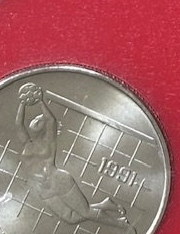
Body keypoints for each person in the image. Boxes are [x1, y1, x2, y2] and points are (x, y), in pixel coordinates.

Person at [14, 83, 132, 230]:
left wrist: (40, 101)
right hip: (43, 188)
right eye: (35, 120)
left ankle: (122, 224)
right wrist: (22, 103)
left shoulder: (49, 142)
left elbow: (51, 120)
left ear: (44, 129)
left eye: (39, 121)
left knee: (85, 212)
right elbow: (18, 124)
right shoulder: (26, 142)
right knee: (71, 218)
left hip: (58, 180)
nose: (35, 121)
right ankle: (104, 205)